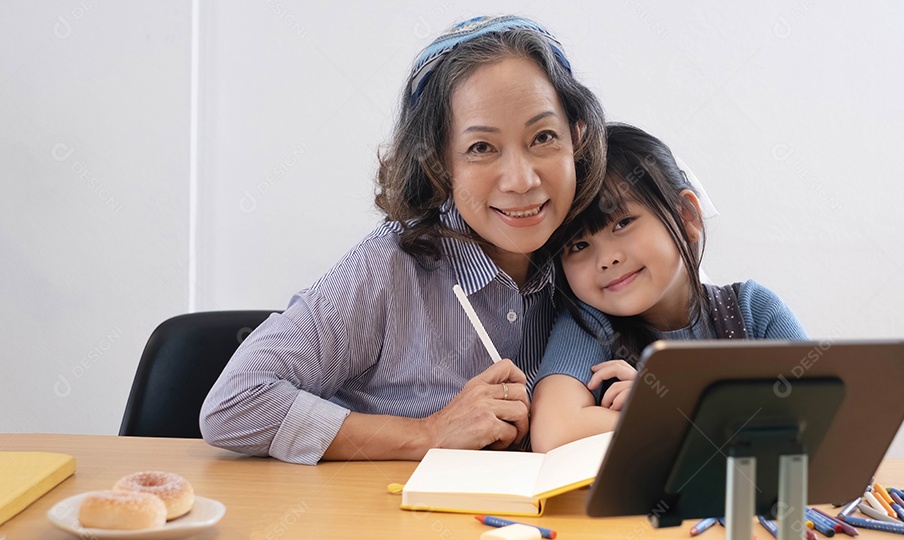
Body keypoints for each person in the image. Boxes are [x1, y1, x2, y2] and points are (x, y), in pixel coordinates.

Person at [199, 15, 606, 465]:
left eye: (543, 136)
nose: (521, 180)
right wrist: (428, 433)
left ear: (577, 137)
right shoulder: (389, 265)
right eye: (481, 148)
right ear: (439, 163)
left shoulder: (593, 262)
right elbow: (234, 404)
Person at [529, 124, 807, 452]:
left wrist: (665, 409)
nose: (606, 259)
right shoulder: (591, 326)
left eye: (622, 223)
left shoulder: (752, 310)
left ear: (686, 216)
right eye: (577, 246)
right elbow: (554, 431)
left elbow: (815, 422)